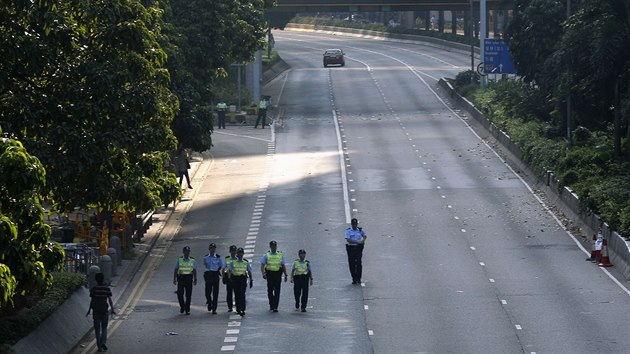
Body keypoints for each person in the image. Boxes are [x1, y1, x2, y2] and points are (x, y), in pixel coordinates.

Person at [88, 272, 115, 352]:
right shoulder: (106, 288)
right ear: (103, 279)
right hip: (104, 311)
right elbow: (110, 300)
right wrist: (112, 309)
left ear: (96, 280)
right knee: (104, 328)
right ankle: (103, 342)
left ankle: (99, 346)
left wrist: (89, 309)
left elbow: (92, 301)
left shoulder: (94, 289)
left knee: (97, 329)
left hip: (96, 311)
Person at [260, 240, 287, 312]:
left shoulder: (280, 255)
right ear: (270, 247)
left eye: (275, 246)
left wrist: (285, 274)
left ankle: (275, 306)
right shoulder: (266, 255)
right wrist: (263, 273)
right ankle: (271, 304)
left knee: (277, 291)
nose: (274, 247)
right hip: (270, 274)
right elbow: (262, 265)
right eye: (272, 246)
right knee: (270, 290)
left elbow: (283, 265)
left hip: (278, 274)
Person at [228, 247, 253, 316]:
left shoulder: (245, 262)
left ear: (243, 254)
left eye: (241, 253)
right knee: (236, 294)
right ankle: (238, 309)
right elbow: (230, 270)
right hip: (235, 279)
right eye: (239, 253)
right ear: (237, 254)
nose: (240, 254)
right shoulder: (233, 262)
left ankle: (242, 309)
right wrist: (229, 278)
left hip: (242, 279)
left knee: (242, 294)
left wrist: (251, 280)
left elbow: (249, 271)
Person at [173, 246, 197, 315]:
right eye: (186, 251)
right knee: (180, 294)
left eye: (188, 251)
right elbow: (176, 269)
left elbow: (194, 270)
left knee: (188, 295)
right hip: (181, 278)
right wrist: (174, 279)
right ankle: (182, 306)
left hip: (189, 278)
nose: (187, 253)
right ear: (183, 252)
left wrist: (195, 279)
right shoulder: (179, 259)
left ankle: (187, 309)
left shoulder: (192, 260)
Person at [345, 218, 367, 284]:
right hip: (351, 248)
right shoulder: (348, 231)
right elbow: (348, 239)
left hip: (358, 249)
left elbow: (365, 236)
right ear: (351, 224)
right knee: (352, 264)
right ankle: (354, 279)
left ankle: (359, 278)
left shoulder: (360, 230)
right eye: (353, 224)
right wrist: (357, 242)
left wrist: (363, 241)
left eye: (356, 224)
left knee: (359, 263)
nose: (355, 225)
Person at [203, 243, 223, 314]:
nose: (212, 249)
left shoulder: (218, 257)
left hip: (215, 275)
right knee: (207, 292)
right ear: (209, 249)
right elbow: (205, 265)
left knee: (215, 292)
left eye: (213, 248)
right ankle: (209, 301)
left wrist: (216, 270)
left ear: (215, 249)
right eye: (211, 248)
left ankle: (214, 308)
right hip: (208, 275)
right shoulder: (205, 257)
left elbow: (220, 265)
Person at [223, 245, 238, 312]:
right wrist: (223, 277)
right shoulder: (227, 259)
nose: (233, 252)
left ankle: (238, 306)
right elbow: (223, 269)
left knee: (237, 292)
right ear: (230, 251)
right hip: (228, 277)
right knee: (229, 292)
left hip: (236, 277)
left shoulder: (238, 259)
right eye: (232, 251)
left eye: (234, 251)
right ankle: (230, 307)